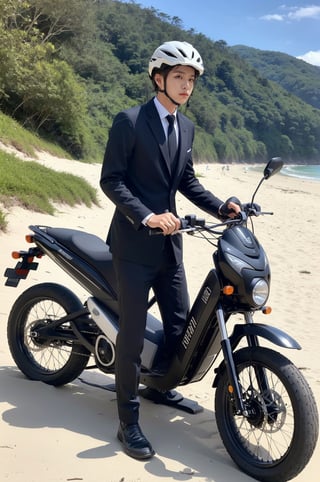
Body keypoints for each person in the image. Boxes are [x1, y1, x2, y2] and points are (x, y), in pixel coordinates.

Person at [100, 40, 240, 460]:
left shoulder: (187, 127)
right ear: (158, 78)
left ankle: (158, 387)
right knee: (131, 335)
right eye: (178, 76)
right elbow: (113, 181)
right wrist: (147, 216)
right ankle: (128, 421)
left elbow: (187, 181)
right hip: (133, 246)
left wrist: (222, 207)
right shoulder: (129, 121)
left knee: (181, 328)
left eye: (191, 79)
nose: (186, 85)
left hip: (169, 250)